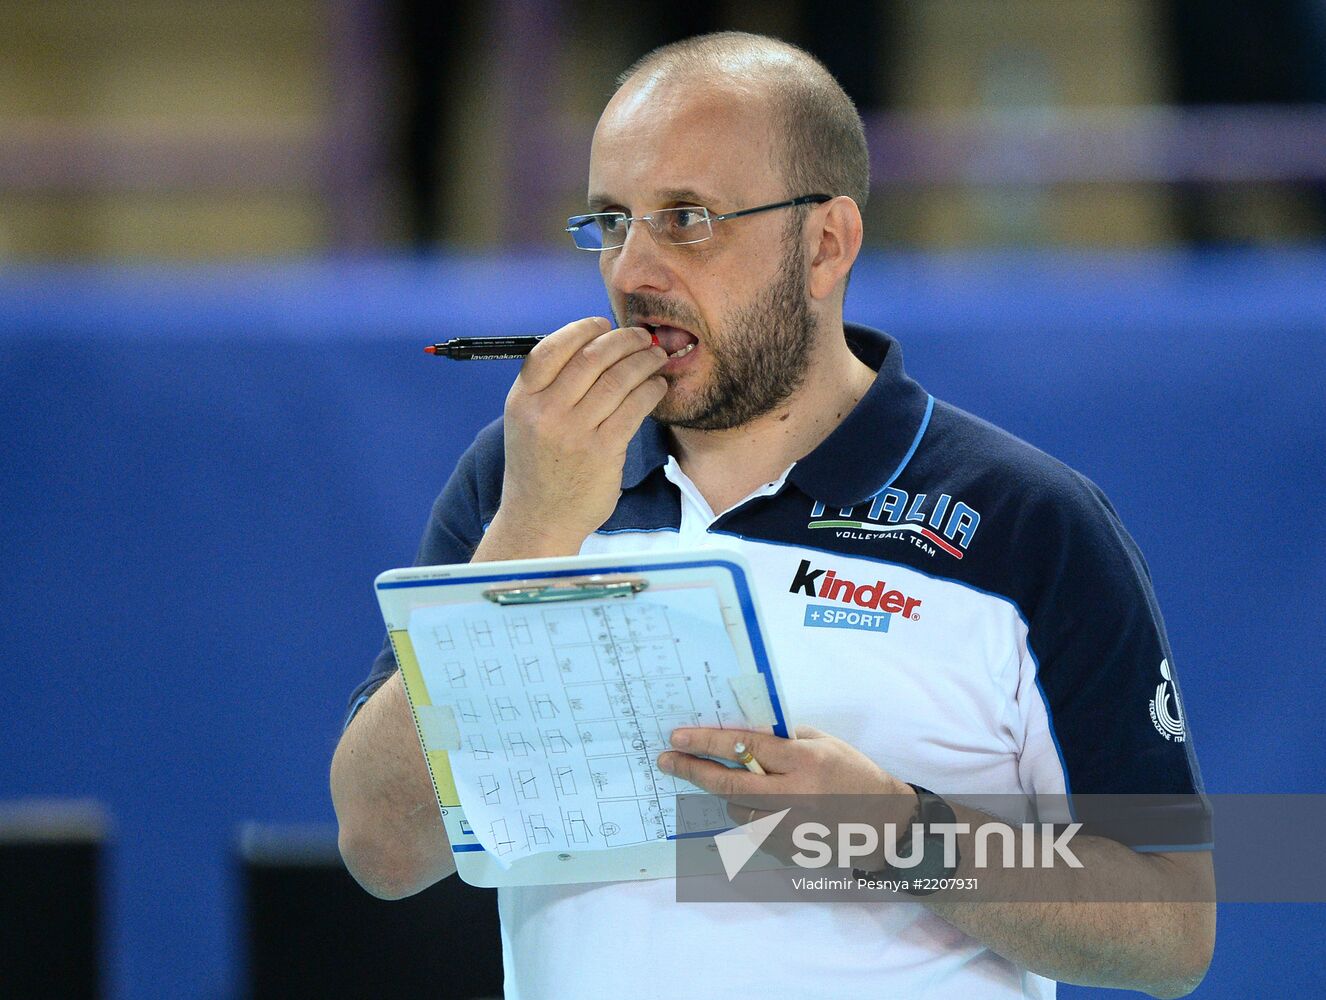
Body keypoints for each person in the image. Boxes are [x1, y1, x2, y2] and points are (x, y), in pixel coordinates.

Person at [331, 31, 1214, 999]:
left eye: (688, 218)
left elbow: (1172, 930)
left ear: (825, 242)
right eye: (611, 222)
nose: (635, 269)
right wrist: (531, 537)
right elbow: (383, 846)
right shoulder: (527, 475)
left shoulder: (1022, 517)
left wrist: (895, 834)